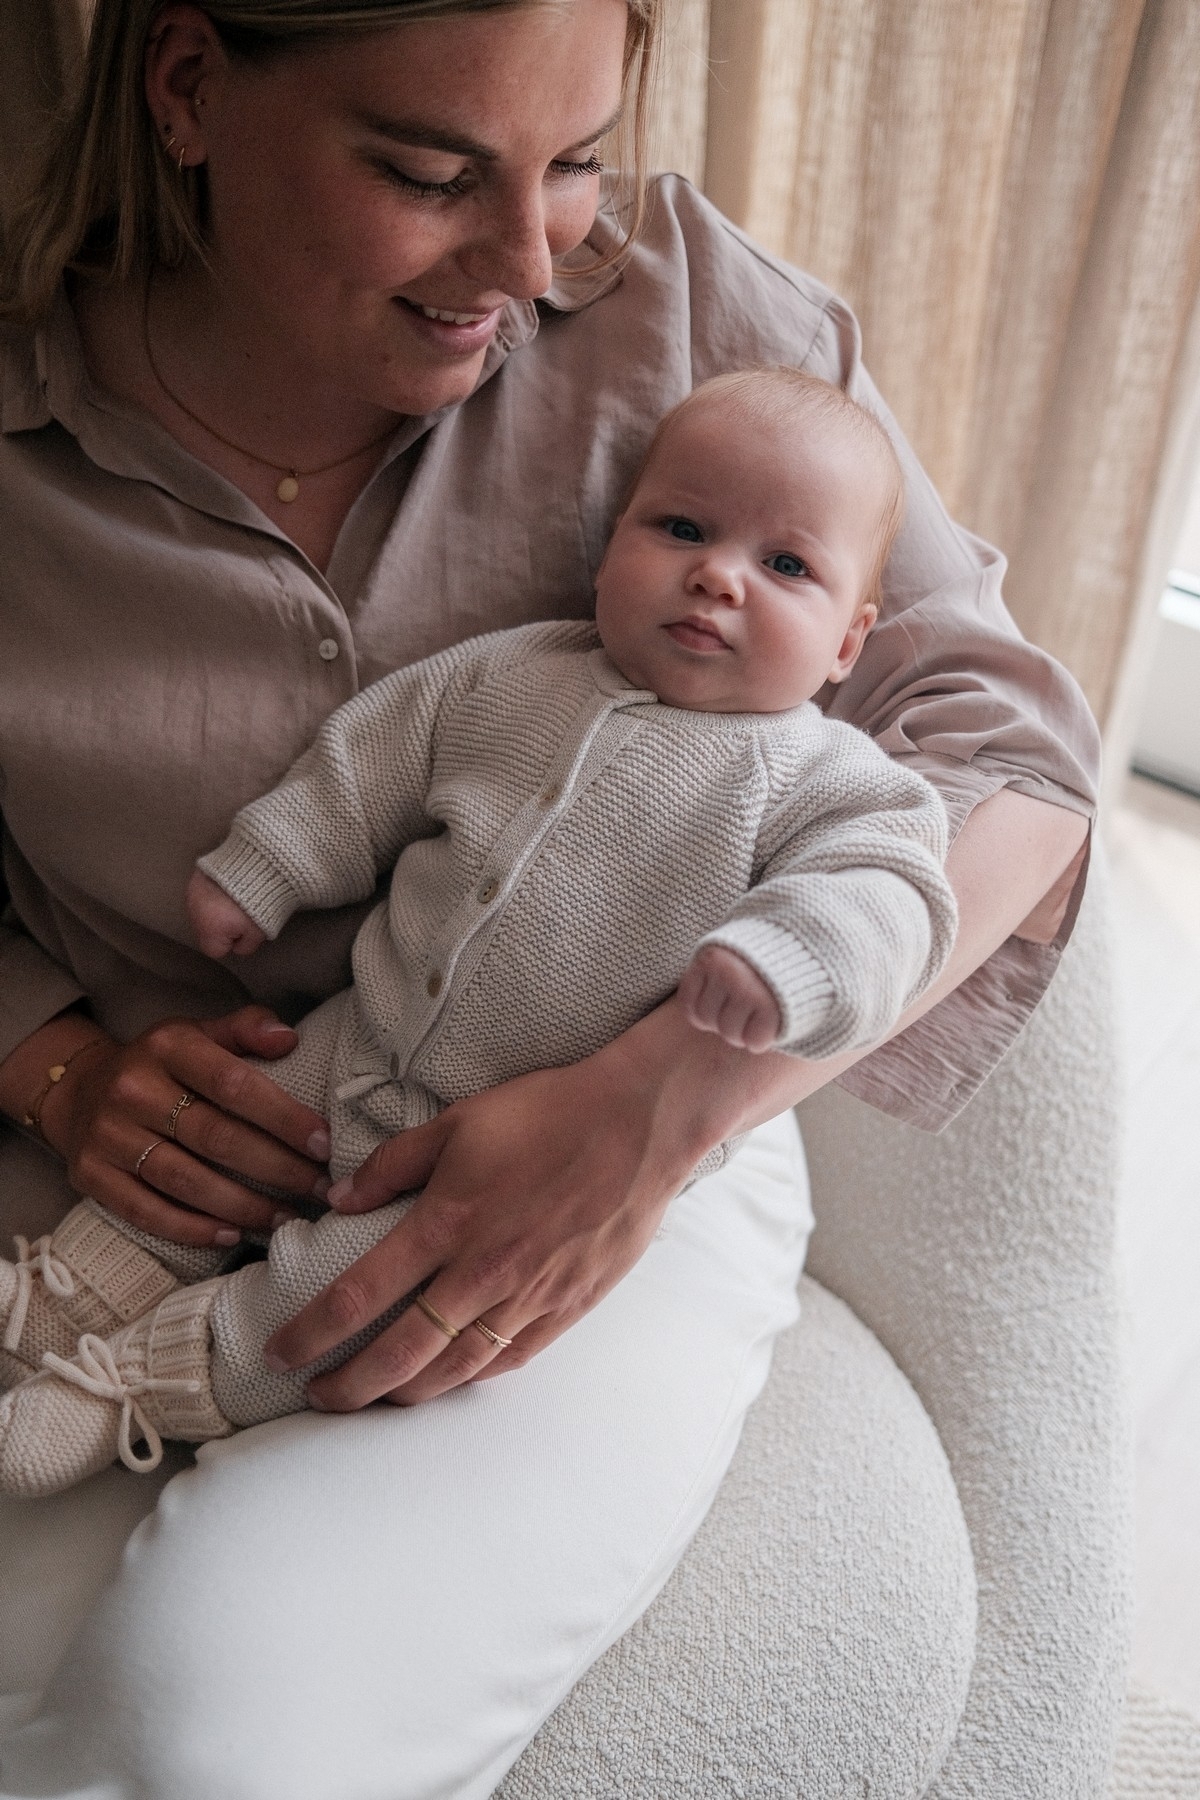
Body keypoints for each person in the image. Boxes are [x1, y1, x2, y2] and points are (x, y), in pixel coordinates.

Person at [0, 0, 1097, 1793]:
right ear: (188, 87)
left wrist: (657, 1110)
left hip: (638, 1132)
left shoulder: (686, 310)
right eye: (429, 173)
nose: (529, 260)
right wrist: (49, 1064)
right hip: (189, 1137)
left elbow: (1018, 761)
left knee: (208, 1734)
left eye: (576, 159)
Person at [0, 367, 960, 1494]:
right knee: (214, 1139)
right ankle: (63, 1296)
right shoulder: (519, 674)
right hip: (353, 1040)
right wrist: (272, 862)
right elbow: (376, 758)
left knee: (360, 1292)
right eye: (682, 530)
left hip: (508, 1148)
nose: (718, 575)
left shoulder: (822, 778)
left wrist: (789, 961)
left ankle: (147, 1382)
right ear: (608, 550)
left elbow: (891, 897)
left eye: (786, 566)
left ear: (847, 643)